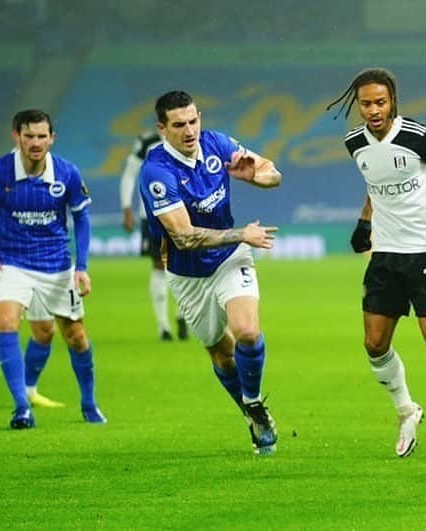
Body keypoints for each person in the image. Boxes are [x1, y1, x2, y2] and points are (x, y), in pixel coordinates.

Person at [327, 68, 426, 460]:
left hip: (425, 249)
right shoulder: (354, 142)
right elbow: (376, 185)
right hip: (385, 254)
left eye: (380, 102)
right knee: (375, 344)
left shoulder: (419, 136)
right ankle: (407, 410)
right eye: (366, 103)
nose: (373, 110)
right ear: (357, 105)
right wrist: (364, 220)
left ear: (393, 100)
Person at [139, 90, 281, 455]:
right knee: (221, 353)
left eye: (193, 121)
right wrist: (242, 233)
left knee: (247, 331)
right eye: (178, 125)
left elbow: (268, 169)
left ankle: (254, 404)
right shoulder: (156, 171)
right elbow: (184, 238)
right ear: (162, 128)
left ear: (199, 117)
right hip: (187, 274)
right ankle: (250, 411)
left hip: (230, 258)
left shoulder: (216, 142)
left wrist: (262, 177)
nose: (189, 131)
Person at [0, 109, 106, 429]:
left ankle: (89, 402)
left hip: (56, 266)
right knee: (5, 322)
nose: (36, 143)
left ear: (52, 138)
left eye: (42, 136)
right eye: (29, 136)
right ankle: (21, 408)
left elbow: (81, 218)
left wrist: (81, 267)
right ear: (17, 137)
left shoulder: (66, 173)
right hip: (11, 264)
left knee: (76, 336)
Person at [120, 129, 188, 341]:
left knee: (186, 265)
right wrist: (126, 208)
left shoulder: (191, 139)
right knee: (159, 266)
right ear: (161, 124)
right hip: (152, 216)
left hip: (184, 213)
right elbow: (130, 174)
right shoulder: (147, 142)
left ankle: (182, 315)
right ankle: (163, 326)